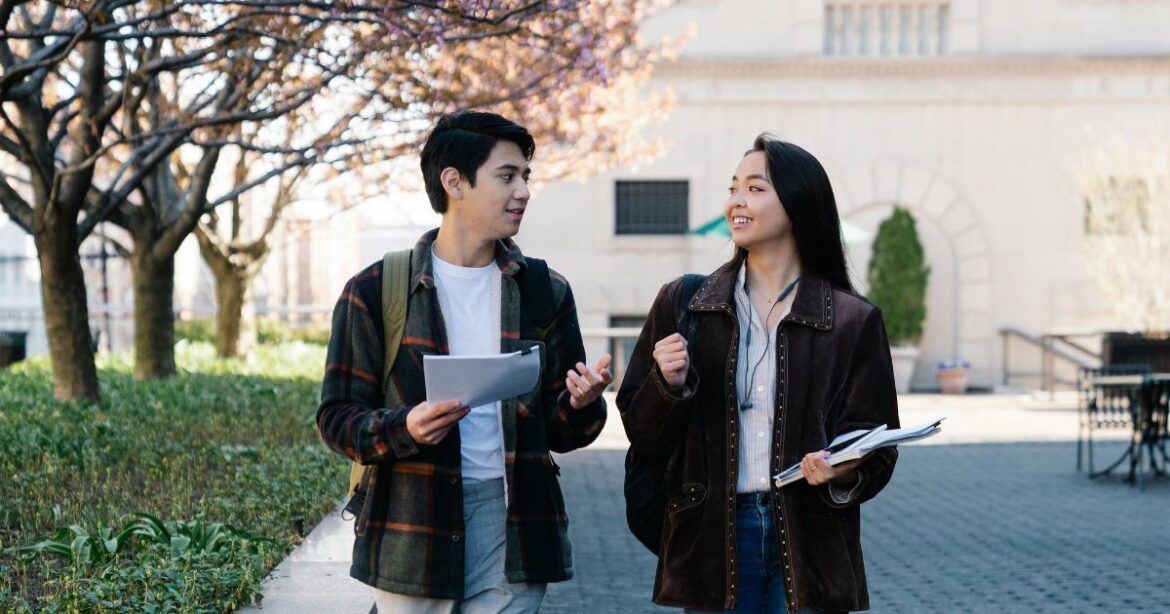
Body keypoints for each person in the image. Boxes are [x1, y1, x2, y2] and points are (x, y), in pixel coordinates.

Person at [317, 110, 612, 613]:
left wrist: (581, 403)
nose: (523, 191)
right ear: (454, 182)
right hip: (414, 523)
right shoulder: (376, 290)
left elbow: (563, 432)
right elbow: (336, 419)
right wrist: (406, 427)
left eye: (525, 177)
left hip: (515, 525)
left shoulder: (545, 290)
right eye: (507, 176)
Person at [617, 135, 900, 613]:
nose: (736, 201)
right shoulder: (687, 303)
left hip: (812, 542)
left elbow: (878, 445)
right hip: (712, 538)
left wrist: (843, 468)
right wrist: (667, 386)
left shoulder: (852, 320)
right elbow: (641, 433)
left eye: (755, 188)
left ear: (798, 203)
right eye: (733, 188)